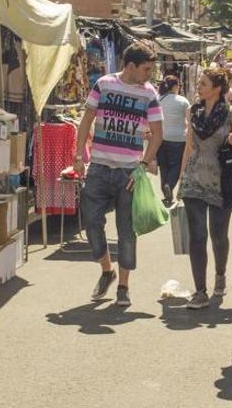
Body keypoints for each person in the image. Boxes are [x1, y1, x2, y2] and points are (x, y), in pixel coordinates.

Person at [74, 43, 163, 307]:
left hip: (128, 171)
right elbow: (87, 119)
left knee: (126, 230)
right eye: (146, 68)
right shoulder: (104, 84)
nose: (150, 73)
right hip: (99, 167)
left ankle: (123, 286)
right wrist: (79, 155)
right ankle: (106, 270)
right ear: (131, 66)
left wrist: (143, 164)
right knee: (91, 221)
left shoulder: (150, 93)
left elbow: (157, 134)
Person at [178, 68, 232, 309]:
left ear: (217, 88)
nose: (199, 87)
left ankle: (220, 275)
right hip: (194, 178)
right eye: (199, 83)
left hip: (220, 180)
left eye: (203, 83)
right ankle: (200, 291)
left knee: (218, 235)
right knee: (197, 236)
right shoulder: (192, 112)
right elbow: (188, 147)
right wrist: (181, 178)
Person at [157, 75, 190, 206]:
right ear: (175, 86)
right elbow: (189, 120)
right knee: (176, 166)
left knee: (164, 166)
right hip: (179, 138)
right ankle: (169, 185)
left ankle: (166, 191)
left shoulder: (158, 100)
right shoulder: (183, 101)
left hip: (162, 137)